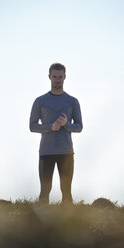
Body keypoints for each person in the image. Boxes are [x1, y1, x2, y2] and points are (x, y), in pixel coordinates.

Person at [29, 63, 83, 204]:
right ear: (49, 77)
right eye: (54, 76)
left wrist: (67, 125)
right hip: (46, 152)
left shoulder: (72, 101)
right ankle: (41, 224)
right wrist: (51, 126)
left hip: (66, 153)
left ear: (65, 77)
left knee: (66, 192)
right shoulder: (40, 101)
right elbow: (32, 126)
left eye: (60, 77)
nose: (57, 80)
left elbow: (79, 127)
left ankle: (68, 224)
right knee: (45, 192)